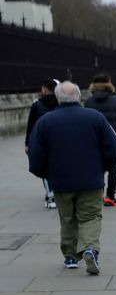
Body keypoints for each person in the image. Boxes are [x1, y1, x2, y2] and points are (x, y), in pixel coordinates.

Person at [27, 81, 116, 274]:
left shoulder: (45, 121)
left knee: (67, 218)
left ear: (58, 97)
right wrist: (103, 168)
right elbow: (113, 148)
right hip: (91, 178)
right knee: (90, 216)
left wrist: (46, 174)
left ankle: (70, 256)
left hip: (61, 180)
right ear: (79, 96)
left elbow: (36, 155)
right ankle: (89, 247)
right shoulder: (95, 118)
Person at [85, 74, 116, 207]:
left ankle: (99, 195)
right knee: (113, 170)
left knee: (98, 169)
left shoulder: (89, 101)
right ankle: (110, 196)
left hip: (95, 141)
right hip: (114, 140)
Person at [25, 78, 59, 209]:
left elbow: (30, 125)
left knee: (45, 169)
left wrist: (27, 143)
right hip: (58, 141)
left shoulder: (37, 105)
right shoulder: (61, 103)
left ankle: (50, 195)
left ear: (44, 90)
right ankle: (55, 193)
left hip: (41, 141)